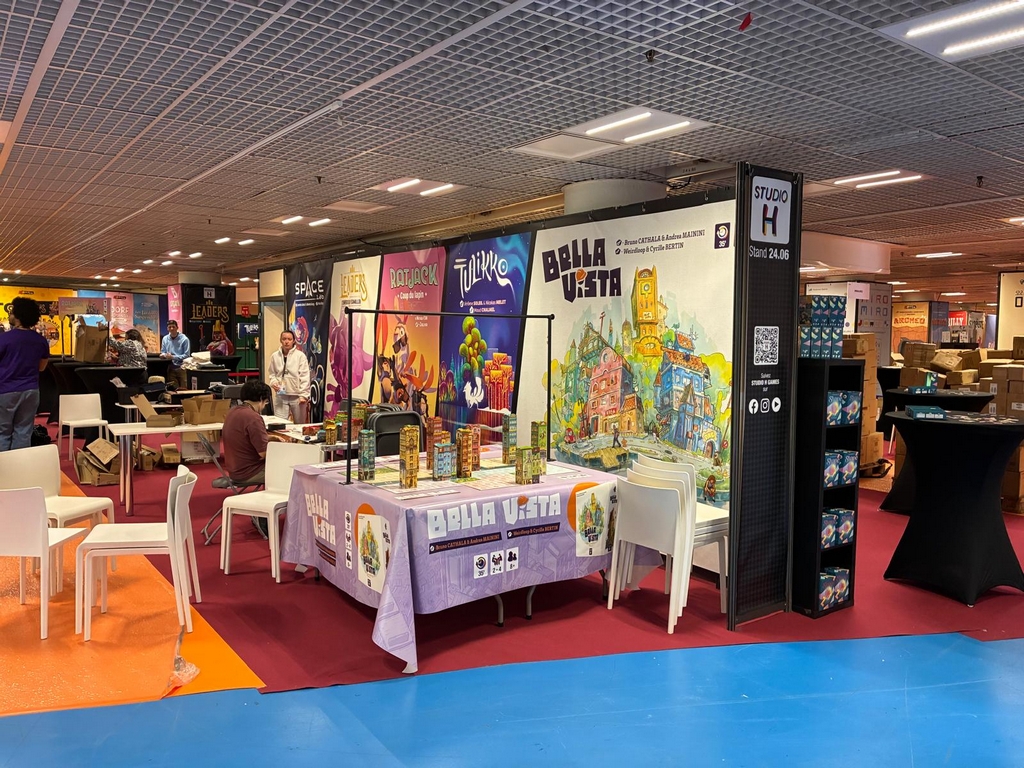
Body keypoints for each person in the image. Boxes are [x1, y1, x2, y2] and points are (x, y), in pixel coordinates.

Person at [222, 380, 273, 536]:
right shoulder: (253, 418)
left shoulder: (233, 412)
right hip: (249, 471)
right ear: (262, 399)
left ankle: (263, 515)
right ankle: (266, 517)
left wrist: (270, 439)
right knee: (287, 471)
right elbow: (264, 454)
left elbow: (246, 439)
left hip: (234, 468)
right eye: (265, 402)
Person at [0, 297, 50, 451]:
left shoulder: (4, 339)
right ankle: (20, 464)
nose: (10, 315)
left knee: (3, 432)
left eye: (12, 312)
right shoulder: (41, 340)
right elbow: (41, 367)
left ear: (18, 316)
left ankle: (4, 464)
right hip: (31, 390)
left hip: (5, 390)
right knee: (23, 432)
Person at [268, 330, 310, 422]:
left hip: (297, 395)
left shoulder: (300, 356)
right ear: (280, 340)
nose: (286, 341)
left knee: (300, 424)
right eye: (284, 339)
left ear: (293, 341)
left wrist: (304, 395)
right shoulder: (275, 356)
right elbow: (272, 373)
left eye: (289, 339)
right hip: (281, 395)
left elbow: (305, 376)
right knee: (279, 423)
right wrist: (273, 382)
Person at [160, 320, 190, 389]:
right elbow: (163, 351)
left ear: (177, 327)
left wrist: (173, 357)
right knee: (173, 389)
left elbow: (186, 355)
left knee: (184, 389)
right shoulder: (165, 338)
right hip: (171, 367)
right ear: (167, 328)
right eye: (169, 327)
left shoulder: (184, 339)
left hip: (182, 368)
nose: (171, 329)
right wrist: (163, 355)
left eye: (173, 327)